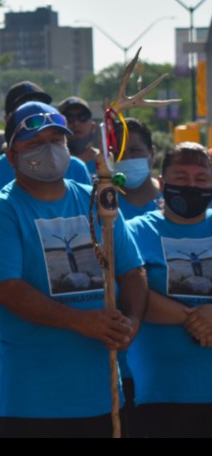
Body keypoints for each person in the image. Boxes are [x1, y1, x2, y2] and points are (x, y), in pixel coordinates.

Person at [0, 101, 147, 437]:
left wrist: (132, 322)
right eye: (35, 143)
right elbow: (8, 289)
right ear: (11, 156)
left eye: (57, 141)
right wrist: (82, 322)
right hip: (32, 402)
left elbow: (132, 269)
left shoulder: (98, 200)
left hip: (104, 395)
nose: (49, 150)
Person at [125, 142, 212, 437]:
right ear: (161, 183)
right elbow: (131, 293)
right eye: (181, 177)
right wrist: (196, 318)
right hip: (161, 390)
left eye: (201, 179)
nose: (191, 185)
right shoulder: (135, 230)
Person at [0, 82, 91, 208]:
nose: (34, 114)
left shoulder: (76, 168)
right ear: (7, 120)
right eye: (23, 109)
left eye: (42, 108)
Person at [111, 118, 161, 219]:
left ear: (152, 153)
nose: (126, 158)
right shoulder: (105, 206)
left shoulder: (170, 201)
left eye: (134, 150)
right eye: (118, 153)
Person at [58, 97, 100, 175]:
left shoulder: (105, 161)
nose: (76, 123)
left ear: (93, 126)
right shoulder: (52, 163)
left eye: (82, 116)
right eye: (68, 118)